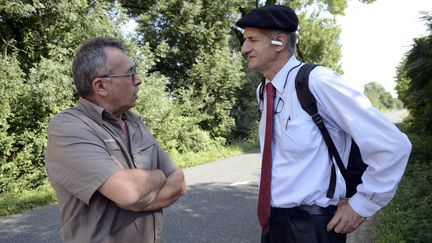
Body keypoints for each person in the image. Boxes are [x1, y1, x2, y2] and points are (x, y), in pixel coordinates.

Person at [236, 4, 411, 243]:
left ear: (279, 41)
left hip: (313, 229)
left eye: (252, 40)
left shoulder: (318, 82)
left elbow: (393, 145)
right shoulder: (264, 91)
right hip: (273, 225)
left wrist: (361, 205)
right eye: (245, 40)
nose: (244, 48)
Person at [45, 37, 186, 243]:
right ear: (100, 86)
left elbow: (179, 182)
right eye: (129, 74)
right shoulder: (68, 127)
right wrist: (158, 175)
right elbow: (128, 192)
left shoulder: (134, 121)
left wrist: (138, 196)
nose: (138, 80)